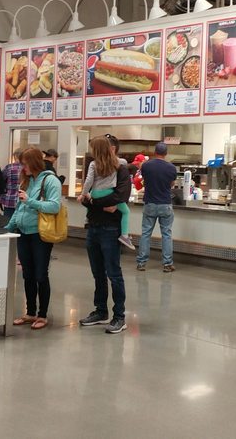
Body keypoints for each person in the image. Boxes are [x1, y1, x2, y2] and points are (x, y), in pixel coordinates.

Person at [4, 147, 62, 330]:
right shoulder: (27, 181)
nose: (23, 167)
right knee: (27, 275)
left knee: (40, 275)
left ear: (34, 162)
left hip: (40, 235)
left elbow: (54, 206)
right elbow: (18, 208)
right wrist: (8, 228)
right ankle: (30, 313)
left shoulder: (50, 181)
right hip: (23, 233)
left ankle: (42, 315)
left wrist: (30, 201)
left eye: (25, 164)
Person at [78, 136, 131, 335]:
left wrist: (93, 201)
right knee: (98, 273)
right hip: (93, 226)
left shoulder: (121, 169)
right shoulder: (94, 167)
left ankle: (119, 316)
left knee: (114, 273)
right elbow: (85, 198)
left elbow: (120, 196)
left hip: (110, 228)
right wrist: (97, 202)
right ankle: (101, 311)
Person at [80, 140, 134, 250]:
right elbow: (120, 195)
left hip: (95, 193)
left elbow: (89, 181)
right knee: (126, 211)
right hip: (108, 193)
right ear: (110, 149)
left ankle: (86, 220)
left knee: (91, 199)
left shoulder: (93, 163)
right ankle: (124, 236)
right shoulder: (117, 163)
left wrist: (83, 194)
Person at [136, 142, 178, 272]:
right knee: (166, 234)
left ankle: (141, 263)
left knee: (146, 233)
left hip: (150, 203)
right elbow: (172, 184)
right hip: (165, 204)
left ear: (155, 152)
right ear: (166, 153)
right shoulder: (171, 168)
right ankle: (167, 264)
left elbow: (144, 180)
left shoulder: (146, 165)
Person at [1, 149, 23, 222]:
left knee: (7, 222)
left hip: (9, 200)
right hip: (22, 200)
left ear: (15, 156)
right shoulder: (26, 168)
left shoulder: (9, 167)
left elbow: (1, 179)